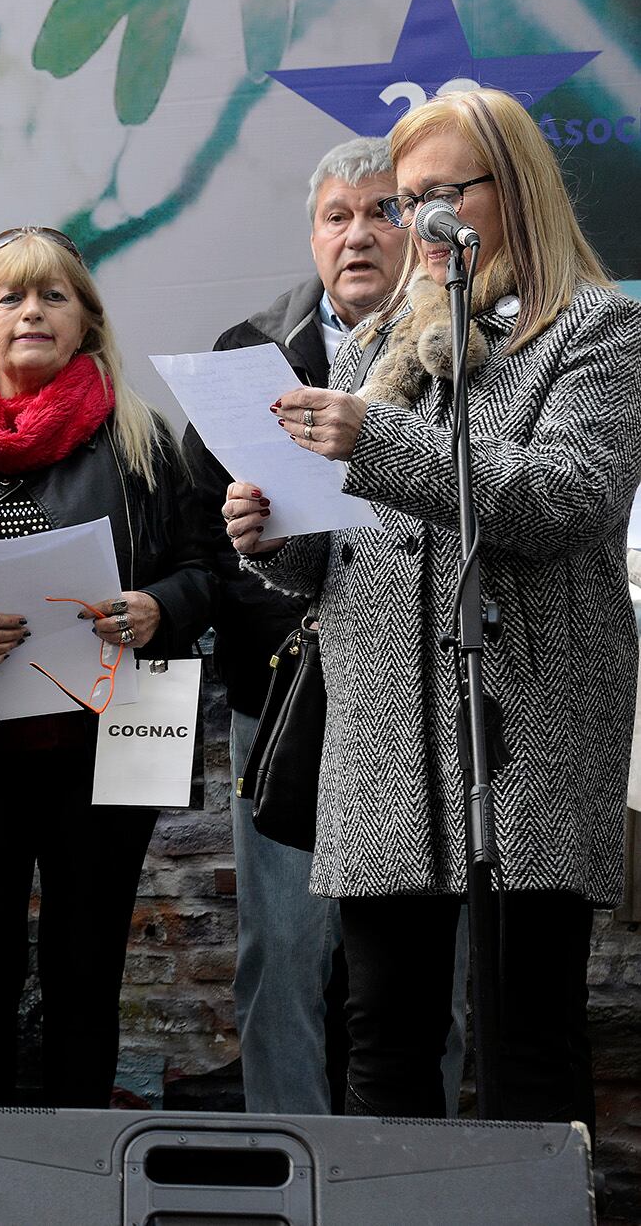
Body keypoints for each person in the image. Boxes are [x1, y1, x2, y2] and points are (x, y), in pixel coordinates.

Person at [224, 87, 641, 1128]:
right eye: (407, 200)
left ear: (517, 190)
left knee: (523, 1037)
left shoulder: (595, 328)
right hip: (379, 734)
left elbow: (564, 496)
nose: (419, 223)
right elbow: (347, 561)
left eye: (441, 194)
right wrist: (280, 536)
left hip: (523, 729)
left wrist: (370, 439)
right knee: (384, 1039)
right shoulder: (377, 345)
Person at [0, 227, 213, 1108]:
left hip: (112, 739)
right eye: (11, 296)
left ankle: (78, 1167)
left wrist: (158, 607)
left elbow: (207, 569)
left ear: (85, 321)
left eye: (53, 296)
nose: (32, 311)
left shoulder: (141, 438)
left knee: (86, 966)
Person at [186, 137, 404, 1116]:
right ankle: (290, 1176)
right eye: (335, 216)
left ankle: (413, 1178)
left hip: (414, 703)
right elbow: (204, 525)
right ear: (310, 235)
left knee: (417, 972)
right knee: (278, 958)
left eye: (381, 211)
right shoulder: (251, 353)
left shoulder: (467, 350)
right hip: (282, 699)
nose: (356, 234)